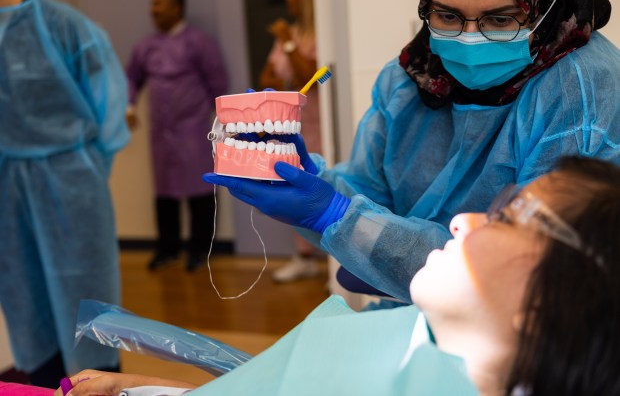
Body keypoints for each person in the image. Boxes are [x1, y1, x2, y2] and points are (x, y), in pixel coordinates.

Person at [56, 157, 620, 395]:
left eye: (510, 216)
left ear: (558, 302)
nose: (461, 219)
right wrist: (143, 390)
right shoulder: (415, 357)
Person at [204, 0, 620, 301]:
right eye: (447, 15)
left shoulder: (581, 89)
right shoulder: (411, 77)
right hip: (415, 320)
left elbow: (531, 269)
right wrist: (321, 191)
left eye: (500, 20)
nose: (468, 40)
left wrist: (339, 216)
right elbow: (370, 195)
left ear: (547, 8)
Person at [0, 0, 130, 389]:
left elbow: (108, 112)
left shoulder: (63, 26)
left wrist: (80, 171)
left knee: (86, 308)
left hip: (71, 184)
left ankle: (101, 384)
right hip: (5, 190)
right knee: (24, 303)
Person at [126, 0, 229, 272]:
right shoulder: (146, 46)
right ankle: (167, 249)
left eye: (159, 4)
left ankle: (200, 250)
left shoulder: (199, 42)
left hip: (194, 129)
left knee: (200, 190)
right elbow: (131, 78)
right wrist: (129, 106)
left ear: (177, 8)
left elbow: (218, 83)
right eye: (152, 4)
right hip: (161, 132)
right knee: (165, 192)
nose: (153, 10)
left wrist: (219, 121)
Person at [259, 0, 325, 283]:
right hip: (293, 126)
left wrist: (287, 43)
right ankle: (304, 257)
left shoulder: (319, 34)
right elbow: (267, 79)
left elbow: (307, 76)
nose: (287, 0)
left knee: (326, 186)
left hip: (321, 126)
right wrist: (286, 45)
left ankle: (338, 262)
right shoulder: (293, 33)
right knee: (294, 186)